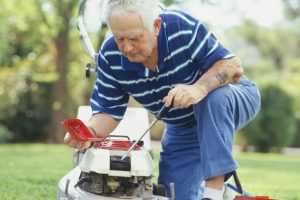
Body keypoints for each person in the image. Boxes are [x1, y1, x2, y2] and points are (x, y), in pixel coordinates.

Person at [64, 0, 261, 199]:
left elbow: (232, 66)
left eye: (135, 38)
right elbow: (107, 111)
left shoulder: (180, 27)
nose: (127, 47)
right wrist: (88, 131)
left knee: (214, 98)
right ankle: (232, 196)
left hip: (232, 97)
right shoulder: (109, 55)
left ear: (156, 26)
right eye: (119, 38)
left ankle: (214, 192)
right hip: (182, 126)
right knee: (173, 194)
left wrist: (198, 88)